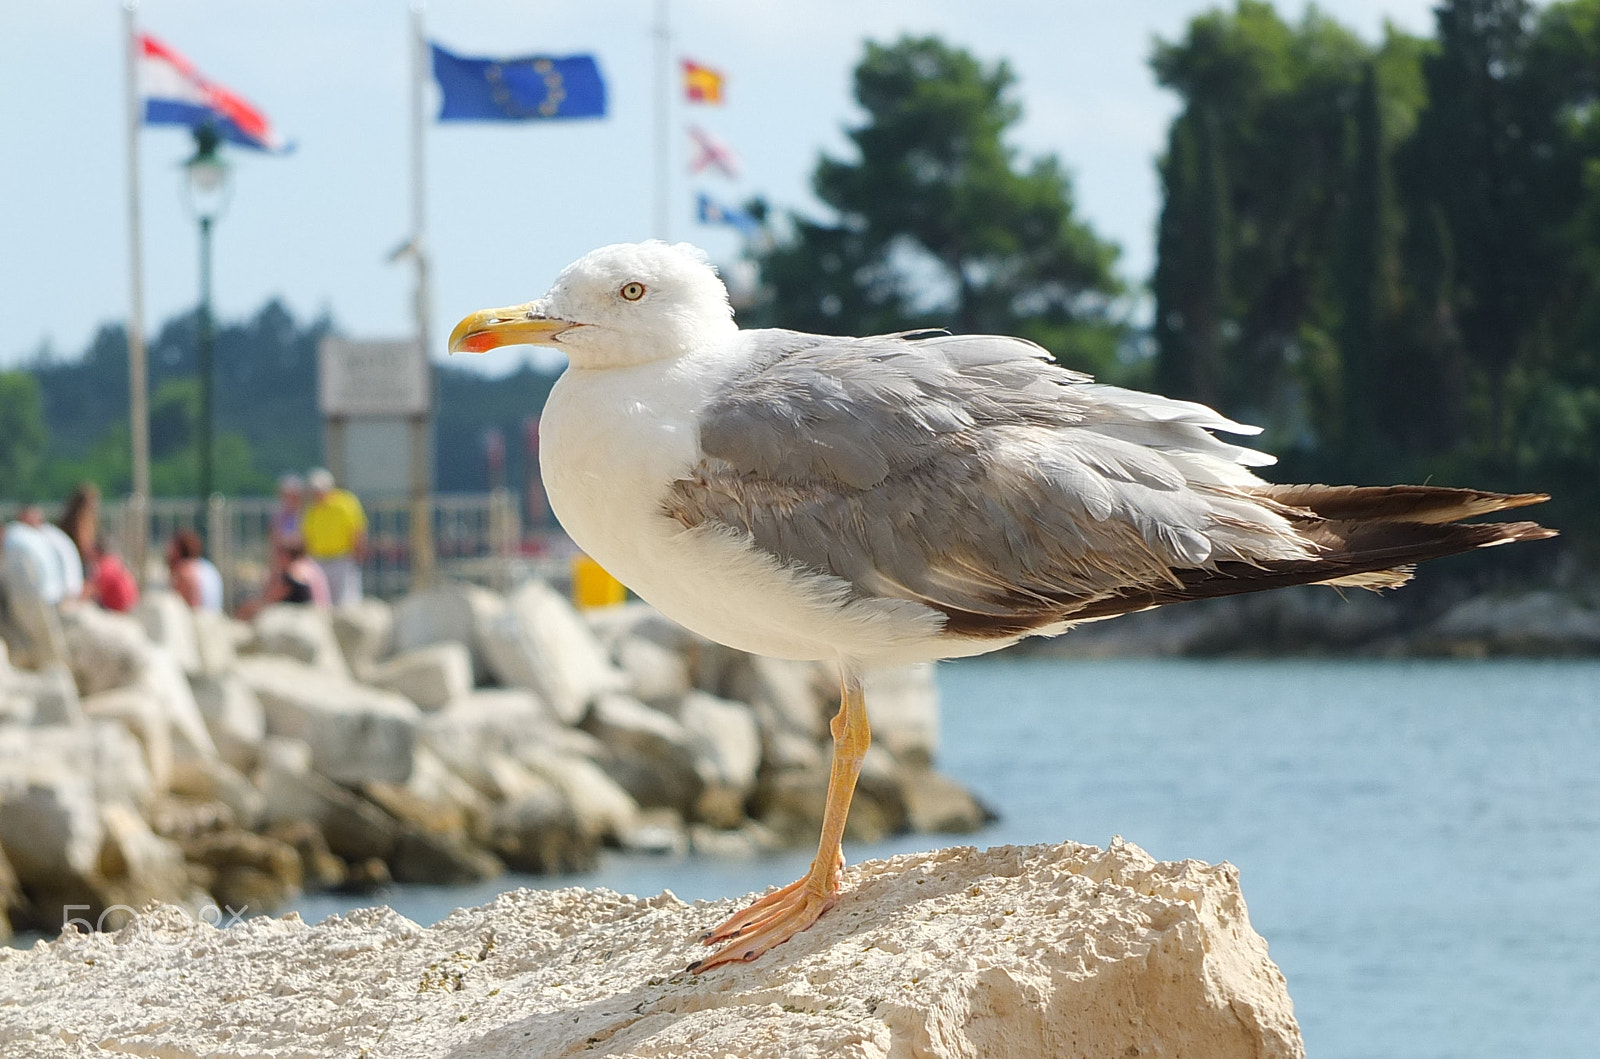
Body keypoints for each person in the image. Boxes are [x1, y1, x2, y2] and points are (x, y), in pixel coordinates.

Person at [301, 467, 367, 606]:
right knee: (322, 602)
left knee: (346, 601)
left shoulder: (346, 503)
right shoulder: (312, 509)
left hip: (342, 558)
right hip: (318, 560)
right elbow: (307, 536)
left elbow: (357, 530)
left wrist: (358, 553)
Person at [167, 529, 223, 612]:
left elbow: (188, 606)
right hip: (215, 617)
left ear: (178, 551)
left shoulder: (185, 572)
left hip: (200, 619)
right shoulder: (207, 566)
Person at [56, 482, 100, 581]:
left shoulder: (68, 518)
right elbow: (84, 543)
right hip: (78, 559)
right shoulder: (83, 518)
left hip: (70, 557)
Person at [86, 542, 139, 612]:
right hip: (132, 603)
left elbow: (94, 589)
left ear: (95, 552)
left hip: (122, 608)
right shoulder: (112, 561)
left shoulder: (104, 566)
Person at [270, 473, 305, 552]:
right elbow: (274, 538)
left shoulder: (306, 514)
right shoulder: (278, 515)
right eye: (287, 495)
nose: (290, 499)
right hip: (283, 556)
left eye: (293, 496)